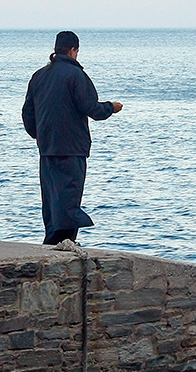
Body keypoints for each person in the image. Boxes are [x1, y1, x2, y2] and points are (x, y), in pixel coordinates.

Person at [22, 31, 123, 245]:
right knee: (69, 197)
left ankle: (51, 240)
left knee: (51, 199)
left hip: (47, 148)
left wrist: (39, 135)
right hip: (72, 148)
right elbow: (91, 108)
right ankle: (63, 242)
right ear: (73, 50)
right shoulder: (76, 75)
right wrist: (111, 108)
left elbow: (27, 113)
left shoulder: (39, 76)